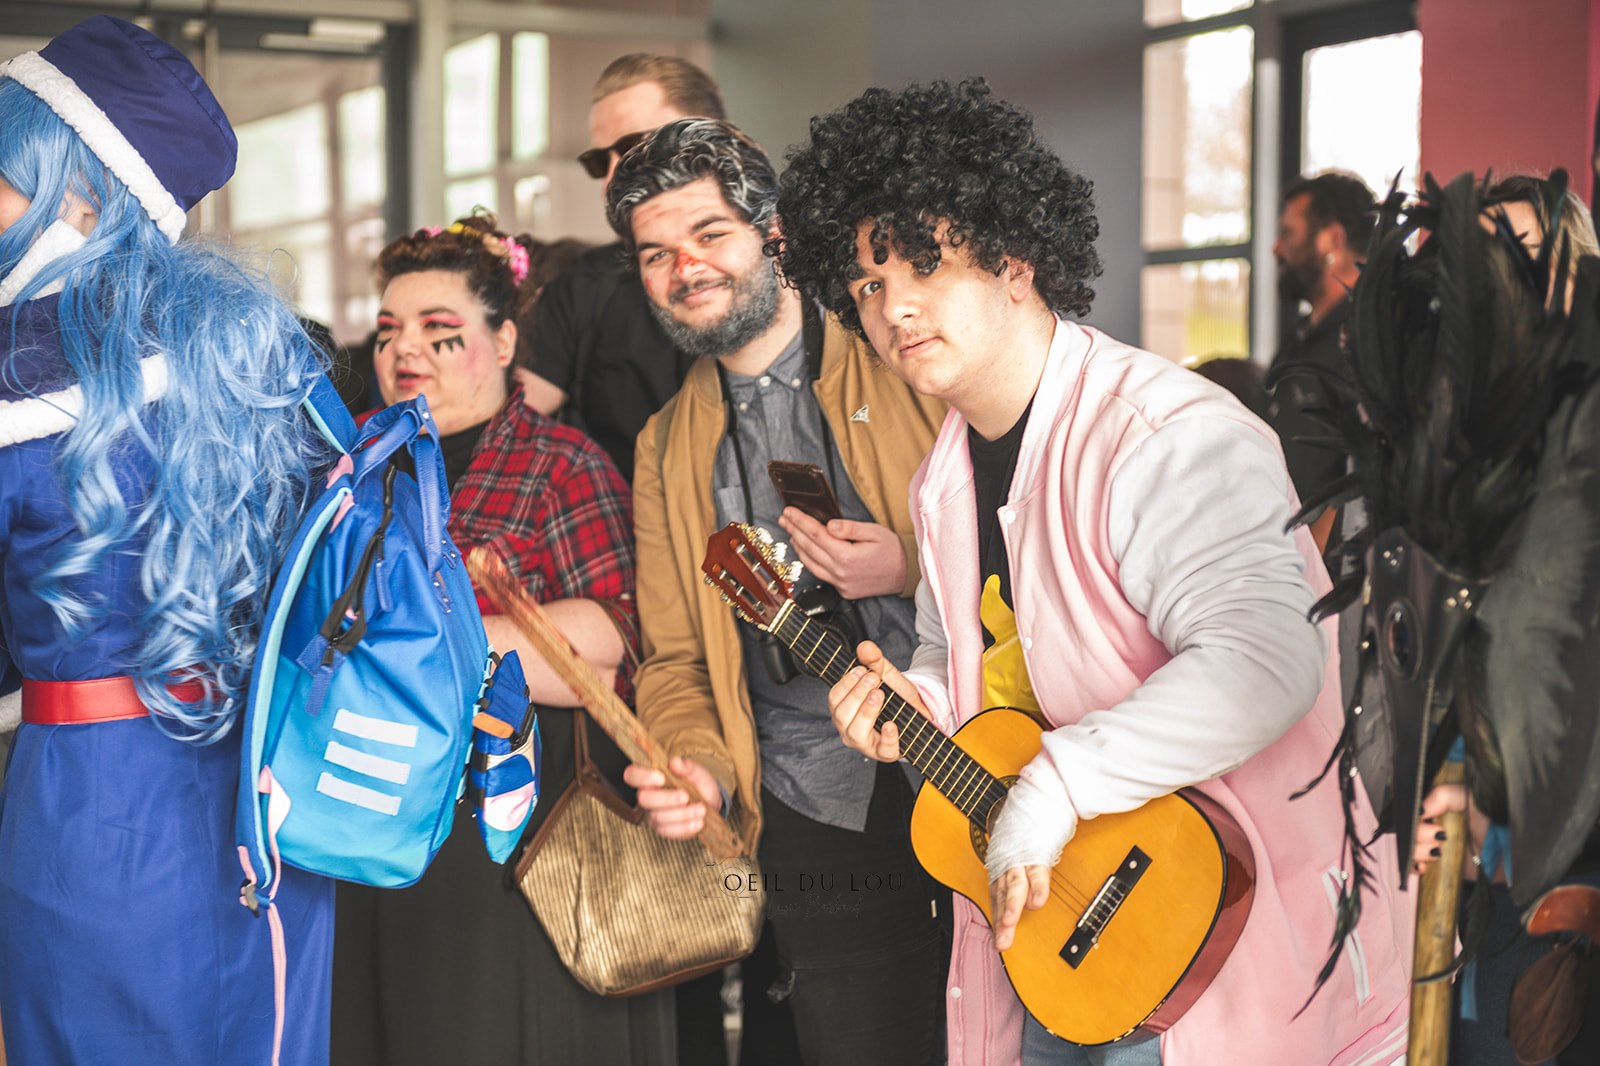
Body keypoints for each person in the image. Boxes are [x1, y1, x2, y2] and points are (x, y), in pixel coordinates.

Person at [776, 80, 1412, 1066]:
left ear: (1013, 257)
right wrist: (918, 701)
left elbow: (1267, 663)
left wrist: (1056, 784)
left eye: (925, 262)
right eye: (864, 285)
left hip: (1218, 932)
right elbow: (967, 661)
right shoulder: (943, 478)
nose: (893, 305)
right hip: (1059, 943)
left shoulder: (1164, 435)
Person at [0, 16, 337, 1062]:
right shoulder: (265, 357)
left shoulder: (14, 372)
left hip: (91, 807)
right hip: (275, 799)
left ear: (80, 194)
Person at [613, 118, 953, 1066]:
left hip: (978, 753)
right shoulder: (664, 446)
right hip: (811, 801)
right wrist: (699, 767)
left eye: (709, 234)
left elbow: (1027, 543)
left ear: (774, 232)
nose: (685, 268)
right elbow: (676, 659)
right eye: (656, 253)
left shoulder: (902, 352)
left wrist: (906, 567)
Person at [329, 213, 673, 1065]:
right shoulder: (350, 471)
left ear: (506, 339)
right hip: (364, 805)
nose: (405, 351)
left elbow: (616, 641)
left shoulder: (561, 464)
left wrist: (427, 645)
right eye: (389, 332)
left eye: (439, 331)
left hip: (508, 820)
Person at [520, 53, 726, 478]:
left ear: (711, 141)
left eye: (633, 147)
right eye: (600, 162)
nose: (613, 176)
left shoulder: (790, 270)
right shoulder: (579, 290)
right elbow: (510, 433)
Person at [1268, 170, 1376, 548]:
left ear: (1333, 239)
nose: (1276, 249)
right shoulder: (1298, 339)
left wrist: (1311, 568)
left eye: (1289, 234)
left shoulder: (1370, 339)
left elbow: (1362, 472)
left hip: (1323, 568)